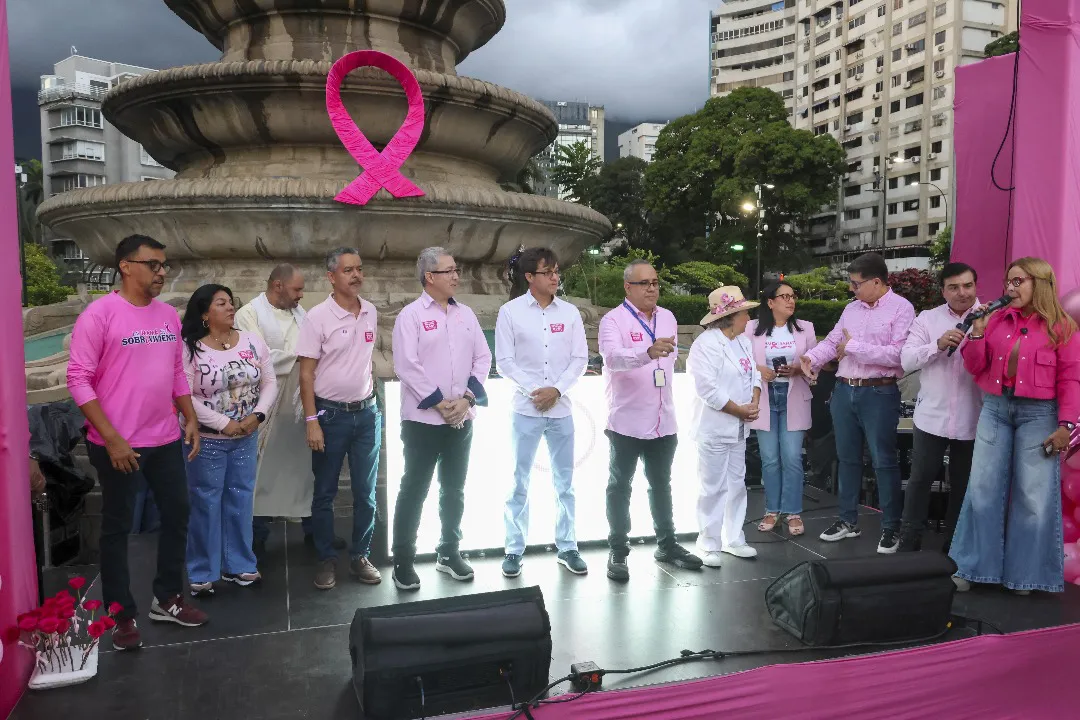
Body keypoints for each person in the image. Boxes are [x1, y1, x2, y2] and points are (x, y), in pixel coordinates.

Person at [66, 234, 208, 651]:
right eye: (154, 264)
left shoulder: (167, 315)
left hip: (164, 437)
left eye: (164, 265)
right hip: (118, 443)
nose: (162, 272)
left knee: (178, 514)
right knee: (117, 527)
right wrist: (112, 439)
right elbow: (78, 379)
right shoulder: (100, 314)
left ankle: (167, 598)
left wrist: (191, 417)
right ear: (126, 266)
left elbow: (176, 373)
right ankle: (120, 614)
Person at [951, 257, 1080, 594]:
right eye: (1009, 281)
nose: (1010, 288)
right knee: (982, 489)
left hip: (1040, 414)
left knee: (1033, 496)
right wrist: (977, 335)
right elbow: (975, 368)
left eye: (1018, 281)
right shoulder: (994, 320)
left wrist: (1066, 424)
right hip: (995, 408)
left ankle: (1027, 575)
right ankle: (973, 566)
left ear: (1040, 283)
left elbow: (1071, 379)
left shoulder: (1062, 327)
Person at [391, 247, 491, 591]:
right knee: (414, 490)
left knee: (454, 489)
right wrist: (439, 403)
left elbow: (483, 357)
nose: (456, 276)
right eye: (449, 271)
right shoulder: (411, 315)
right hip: (423, 421)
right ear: (429, 277)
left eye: (456, 270)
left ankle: (449, 552)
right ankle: (403, 559)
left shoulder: (466, 315)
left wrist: (465, 399)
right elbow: (406, 365)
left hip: (461, 418)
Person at [800, 252, 915, 553]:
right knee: (847, 458)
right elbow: (831, 342)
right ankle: (847, 520)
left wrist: (853, 347)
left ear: (876, 282)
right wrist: (810, 358)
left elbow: (898, 355)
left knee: (884, 461)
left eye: (856, 284)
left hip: (879, 391)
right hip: (844, 389)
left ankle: (891, 527)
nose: (852, 289)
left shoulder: (902, 309)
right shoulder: (851, 309)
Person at [598, 259, 703, 581]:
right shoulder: (612, 320)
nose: (653, 288)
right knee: (620, 486)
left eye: (656, 282)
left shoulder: (668, 318)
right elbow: (612, 358)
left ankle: (667, 545)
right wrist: (646, 351)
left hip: (663, 418)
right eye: (645, 283)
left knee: (661, 486)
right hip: (627, 420)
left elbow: (670, 362)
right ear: (628, 287)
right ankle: (618, 550)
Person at [495, 247, 590, 578]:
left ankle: (567, 546)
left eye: (556, 271)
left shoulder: (571, 313)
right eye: (547, 272)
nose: (554, 277)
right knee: (518, 480)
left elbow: (580, 358)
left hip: (561, 410)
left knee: (565, 482)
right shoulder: (510, 312)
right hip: (526, 409)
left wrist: (557, 390)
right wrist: (535, 391)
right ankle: (513, 549)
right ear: (529, 277)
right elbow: (504, 362)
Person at [235, 265, 340, 555]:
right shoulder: (249, 314)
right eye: (297, 289)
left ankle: (314, 530)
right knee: (263, 473)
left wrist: (309, 359)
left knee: (304, 471)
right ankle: (256, 535)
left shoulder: (300, 313)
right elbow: (256, 354)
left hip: (298, 404)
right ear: (278, 285)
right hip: (269, 406)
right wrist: (303, 358)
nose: (301, 295)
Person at [181, 284, 277, 596]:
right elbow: (184, 395)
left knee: (240, 497)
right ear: (205, 313)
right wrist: (223, 423)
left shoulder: (251, 341)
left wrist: (257, 416)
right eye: (221, 303)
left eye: (231, 302)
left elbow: (270, 382)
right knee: (206, 502)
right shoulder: (191, 347)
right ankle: (202, 571)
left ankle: (240, 565)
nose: (230, 307)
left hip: (246, 436)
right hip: (207, 440)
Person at [296, 247, 382, 591]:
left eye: (359, 268)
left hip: (367, 413)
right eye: (348, 270)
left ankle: (360, 555)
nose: (356, 275)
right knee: (325, 492)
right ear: (331, 277)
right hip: (329, 415)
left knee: (366, 492)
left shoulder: (371, 311)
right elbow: (305, 375)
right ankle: (325, 559)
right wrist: (312, 420)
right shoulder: (317, 317)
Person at [898, 262, 982, 553]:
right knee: (920, 479)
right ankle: (909, 541)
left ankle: (955, 546)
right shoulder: (928, 319)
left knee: (964, 485)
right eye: (954, 287)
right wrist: (936, 344)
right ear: (943, 290)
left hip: (976, 417)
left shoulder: (992, 317)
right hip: (932, 416)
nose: (962, 293)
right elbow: (906, 360)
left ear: (976, 286)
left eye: (968, 285)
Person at [688, 287, 762, 566]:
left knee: (736, 484)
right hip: (715, 426)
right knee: (712, 487)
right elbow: (707, 389)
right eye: (744, 312)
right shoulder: (706, 344)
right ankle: (708, 542)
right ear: (730, 316)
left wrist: (753, 401)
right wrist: (739, 410)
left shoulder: (742, 341)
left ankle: (734, 538)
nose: (748, 317)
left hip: (740, 427)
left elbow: (754, 373)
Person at [746, 281, 817, 537]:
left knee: (792, 458)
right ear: (770, 302)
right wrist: (758, 369)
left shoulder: (805, 328)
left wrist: (798, 369)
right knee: (770, 459)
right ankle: (772, 509)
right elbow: (742, 361)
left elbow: (814, 363)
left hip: (794, 395)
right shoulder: (751, 328)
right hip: (765, 397)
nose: (790, 301)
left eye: (792, 296)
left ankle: (793, 511)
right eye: (784, 296)